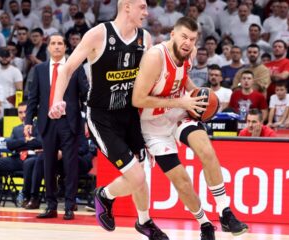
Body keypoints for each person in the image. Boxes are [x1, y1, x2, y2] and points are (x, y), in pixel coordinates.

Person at [48, 1, 168, 239]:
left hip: (130, 114)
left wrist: (151, 128)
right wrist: (57, 100)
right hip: (102, 117)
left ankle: (144, 221)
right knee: (137, 176)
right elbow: (67, 68)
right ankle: (104, 195)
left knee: (140, 172)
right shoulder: (98, 35)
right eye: (142, 7)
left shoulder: (145, 39)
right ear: (127, 7)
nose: (146, 12)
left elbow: (146, 88)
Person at [132, 16, 248, 240]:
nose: (188, 43)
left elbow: (182, 80)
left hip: (179, 115)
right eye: (184, 37)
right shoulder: (155, 58)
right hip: (153, 127)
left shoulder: (190, 54)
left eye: (193, 39)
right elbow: (137, 99)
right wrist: (181, 102)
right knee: (182, 181)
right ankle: (204, 223)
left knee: (206, 150)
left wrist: (200, 97)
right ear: (173, 34)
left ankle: (225, 212)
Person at [24, 33, 89, 221]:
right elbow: (33, 99)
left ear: (66, 47)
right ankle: (51, 206)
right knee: (48, 165)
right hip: (47, 122)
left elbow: (85, 96)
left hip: (69, 122)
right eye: (53, 43)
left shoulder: (75, 68)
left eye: (60, 43)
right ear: (49, 48)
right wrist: (28, 121)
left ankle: (69, 206)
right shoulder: (39, 70)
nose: (57, 46)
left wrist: (87, 120)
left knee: (70, 165)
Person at [0, 102, 38, 206]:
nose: (23, 115)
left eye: (25, 112)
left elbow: (39, 143)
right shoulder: (16, 129)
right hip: (18, 158)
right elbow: (9, 145)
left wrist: (20, 144)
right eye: (20, 113)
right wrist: (26, 141)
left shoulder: (38, 126)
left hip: (34, 157)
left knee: (29, 163)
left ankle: (28, 198)